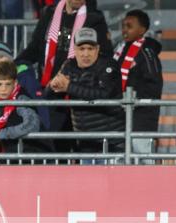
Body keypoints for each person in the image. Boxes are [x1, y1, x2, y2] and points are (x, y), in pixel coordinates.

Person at [16, 0, 110, 151]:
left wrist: (71, 77)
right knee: (52, 145)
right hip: (51, 92)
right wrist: (14, 64)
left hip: (78, 93)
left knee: (81, 148)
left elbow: (103, 54)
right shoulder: (49, 13)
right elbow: (35, 47)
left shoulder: (94, 18)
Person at [48, 27, 122, 155]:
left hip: (112, 140)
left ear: (97, 49)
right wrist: (52, 86)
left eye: (90, 49)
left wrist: (69, 86)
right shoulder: (69, 65)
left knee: (111, 175)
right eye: (82, 49)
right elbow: (48, 98)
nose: (86, 54)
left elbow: (103, 95)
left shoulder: (109, 65)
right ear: (75, 50)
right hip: (85, 141)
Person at [113, 9, 162, 157]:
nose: (124, 30)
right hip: (121, 118)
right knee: (121, 163)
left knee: (143, 162)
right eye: (123, 26)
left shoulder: (147, 53)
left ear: (142, 30)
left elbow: (154, 85)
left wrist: (132, 98)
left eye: (129, 26)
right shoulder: (120, 50)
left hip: (142, 121)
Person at [0, 59, 40, 157]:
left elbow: (33, 125)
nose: (3, 89)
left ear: (15, 83)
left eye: (8, 84)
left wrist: (1, 134)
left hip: (22, 159)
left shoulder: (22, 99)